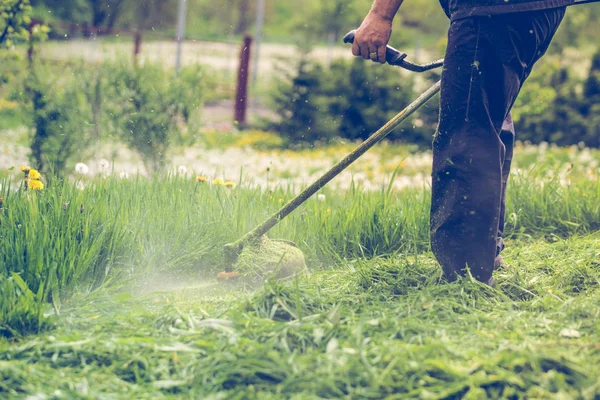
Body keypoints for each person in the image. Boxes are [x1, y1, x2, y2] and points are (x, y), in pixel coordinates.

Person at [352, 0, 572, 286]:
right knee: (487, 116)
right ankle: (485, 252)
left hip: (492, 8)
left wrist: (380, 14)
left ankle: (466, 274)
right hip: (537, 9)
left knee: (468, 131)